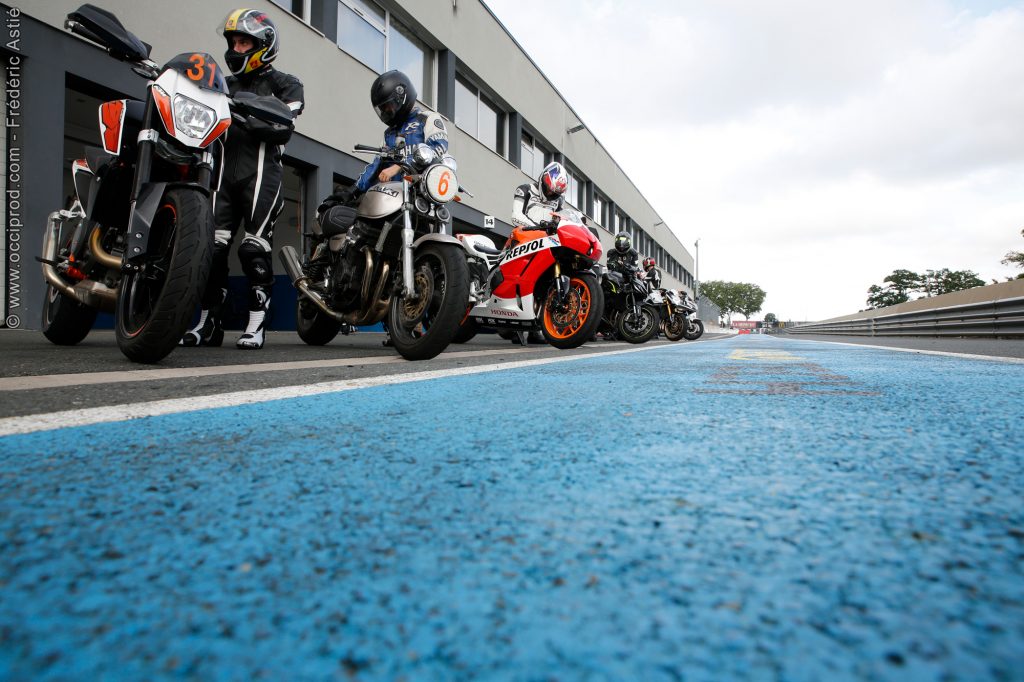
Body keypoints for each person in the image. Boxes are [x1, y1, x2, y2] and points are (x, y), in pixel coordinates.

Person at [180, 8, 304, 349]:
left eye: (244, 42)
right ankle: (208, 324)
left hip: (261, 178)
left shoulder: (285, 83)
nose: (236, 49)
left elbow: (285, 124)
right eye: (233, 42)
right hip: (222, 177)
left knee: (253, 249)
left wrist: (247, 109)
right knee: (212, 251)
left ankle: (256, 323)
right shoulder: (223, 83)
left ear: (263, 44)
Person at [318, 69, 448, 346]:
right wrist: (354, 189)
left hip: (417, 198)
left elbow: (436, 150)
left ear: (403, 96)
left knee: (408, 260)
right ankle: (346, 285)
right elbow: (376, 164)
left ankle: (402, 324)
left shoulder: (428, 119)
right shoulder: (390, 132)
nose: (387, 111)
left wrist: (402, 165)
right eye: (383, 108)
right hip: (388, 198)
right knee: (368, 242)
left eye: (390, 105)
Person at [510, 161, 568, 237]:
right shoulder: (525, 190)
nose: (550, 193)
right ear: (543, 181)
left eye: (554, 193)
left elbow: (561, 222)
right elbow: (516, 216)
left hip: (545, 241)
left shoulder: (558, 201)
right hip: (522, 237)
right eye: (549, 189)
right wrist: (540, 229)